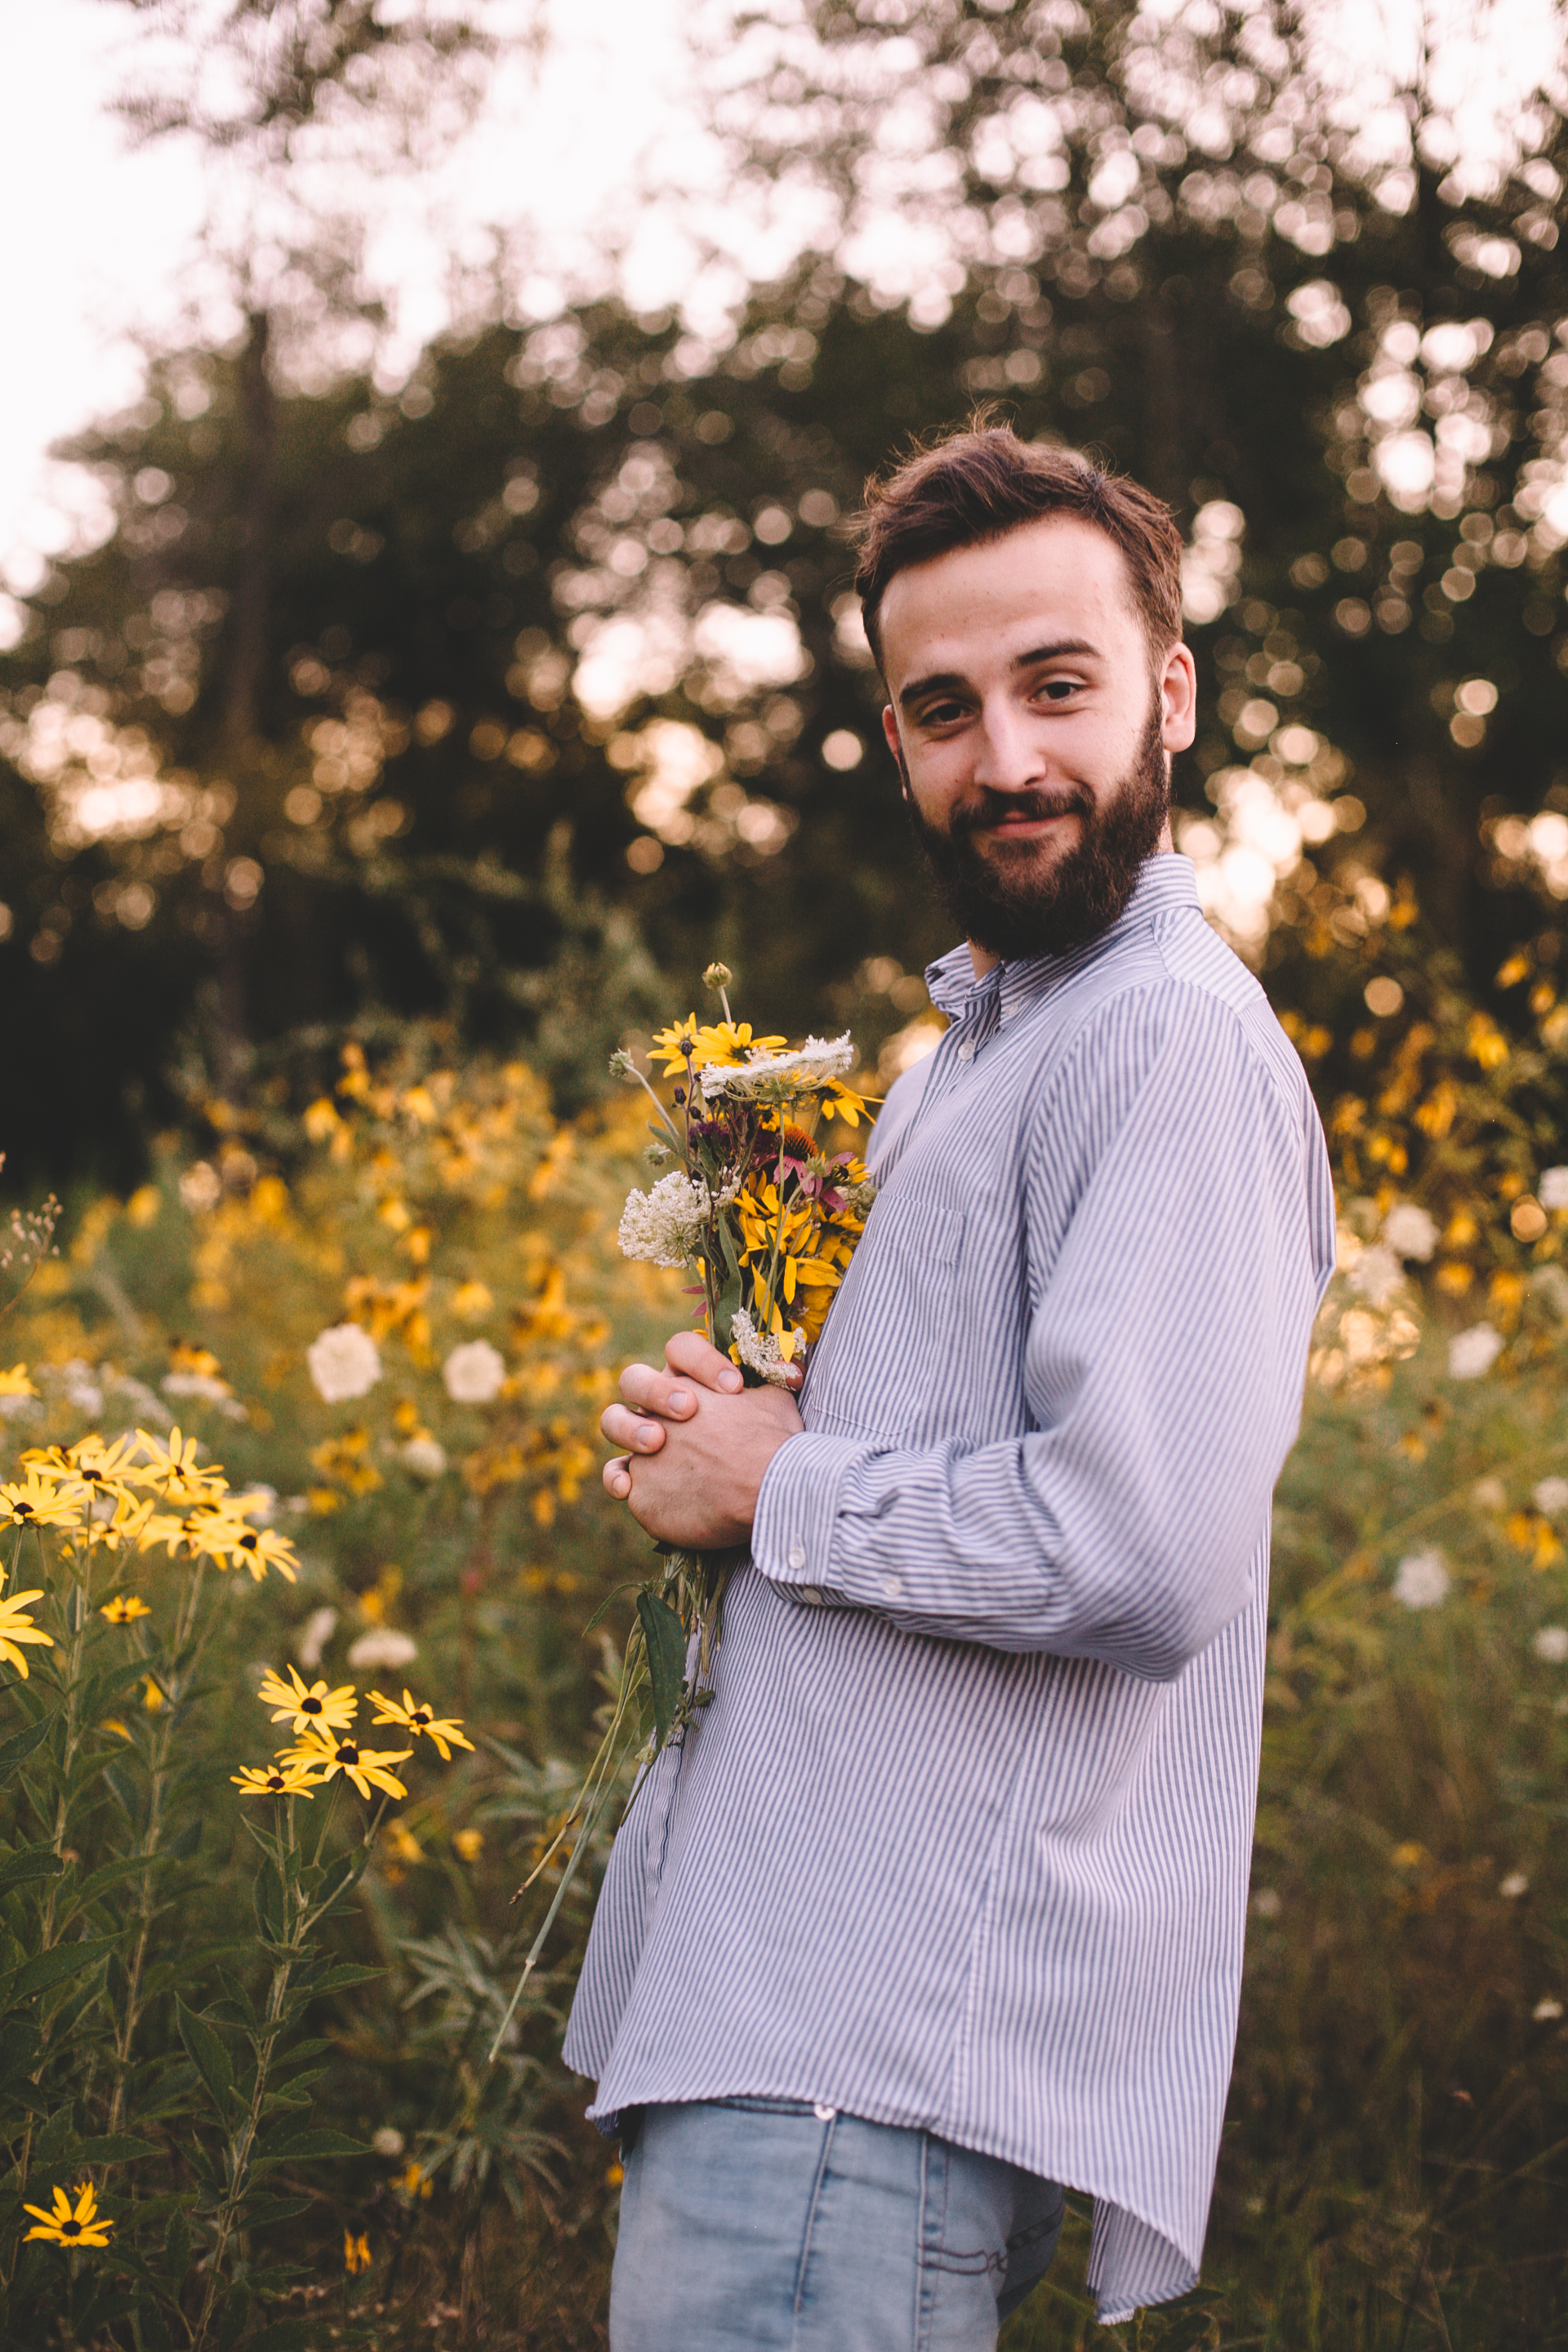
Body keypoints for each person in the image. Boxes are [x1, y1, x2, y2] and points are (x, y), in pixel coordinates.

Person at [565, 425, 1335, 2348]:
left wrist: (781, 1488)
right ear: (894, 742)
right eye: (943, 708)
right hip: (791, 2033)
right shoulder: (964, 1056)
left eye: (1056, 686)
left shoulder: (1164, 1039)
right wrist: (729, 1433)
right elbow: (876, 1471)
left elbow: (1147, 1549)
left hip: (866, 2056)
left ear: (1170, 690)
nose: (1006, 758)